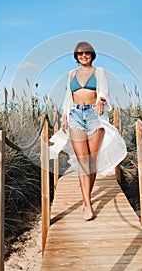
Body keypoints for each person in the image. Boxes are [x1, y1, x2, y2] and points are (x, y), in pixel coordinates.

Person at [50, 42, 127, 221]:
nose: (84, 56)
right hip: (75, 115)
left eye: (87, 53)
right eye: (80, 53)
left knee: (91, 161)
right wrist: (64, 117)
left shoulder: (99, 71)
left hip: (94, 116)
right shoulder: (71, 74)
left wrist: (101, 100)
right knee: (83, 161)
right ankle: (87, 203)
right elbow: (68, 97)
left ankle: (86, 197)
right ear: (76, 56)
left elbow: (104, 90)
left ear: (92, 55)